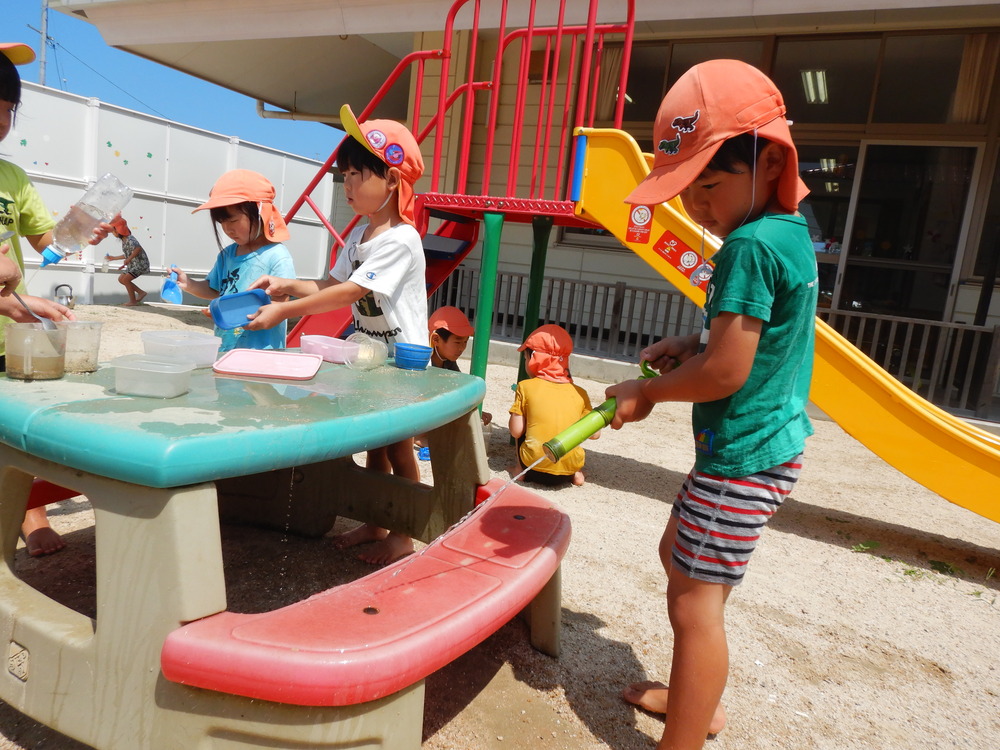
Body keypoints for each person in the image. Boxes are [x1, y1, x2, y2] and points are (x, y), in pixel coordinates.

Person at [605, 59, 817, 750]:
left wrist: (647, 392)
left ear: (765, 156)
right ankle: (693, 699)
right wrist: (693, 337)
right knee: (680, 559)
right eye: (686, 190)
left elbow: (727, 371)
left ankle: (687, 735)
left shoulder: (749, 248)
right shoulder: (787, 232)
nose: (695, 205)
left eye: (708, 184)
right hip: (760, 445)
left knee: (695, 602)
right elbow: (756, 333)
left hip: (742, 454)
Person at [247, 105, 427, 565]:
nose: (345, 185)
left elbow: (350, 291)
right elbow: (328, 285)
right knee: (377, 442)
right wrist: (286, 285)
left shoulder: (401, 239)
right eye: (343, 175)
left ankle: (404, 532)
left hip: (402, 357)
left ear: (390, 180)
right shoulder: (361, 236)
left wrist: (284, 310)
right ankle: (376, 520)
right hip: (374, 354)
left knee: (400, 447)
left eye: (355, 175)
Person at [0, 42, 78, 557]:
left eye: (6, 111)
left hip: (12, 329)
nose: (0, 120)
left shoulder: (13, 178)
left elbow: (49, 241)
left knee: (19, 429)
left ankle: (31, 516)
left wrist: (79, 230)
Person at [172, 169, 296, 352]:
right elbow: (214, 289)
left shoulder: (277, 256)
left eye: (234, 220)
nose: (227, 229)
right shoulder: (227, 255)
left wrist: (237, 314)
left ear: (260, 213)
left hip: (262, 351)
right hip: (226, 347)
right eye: (222, 222)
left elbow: (281, 304)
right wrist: (188, 284)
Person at [508, 324, 595, 487]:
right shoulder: (580, 393)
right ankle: (576, 473)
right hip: (566, 473)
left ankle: (518, 470)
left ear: (534, 359)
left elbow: (516, 430)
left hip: (532, 468)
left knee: (523, 419)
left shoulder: (525, 387)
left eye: (526, 358)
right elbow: (594, 434)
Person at [427, 305, 492, 424]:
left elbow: (461, 390)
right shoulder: (424, 363)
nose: (462, 348)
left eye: (465, 342)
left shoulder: (448, 361)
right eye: (457, 342)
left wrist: (475, 411)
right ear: (436, 339)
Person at [102, 216, 150, 306]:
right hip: (133, 264)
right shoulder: (124, 241)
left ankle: (133, 301)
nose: (112, 233)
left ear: (118, 231)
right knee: (121, 279)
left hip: (140, 264)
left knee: (126, 280)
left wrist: (129, 259)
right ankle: (141, 292)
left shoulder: (130, 239)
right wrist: (114, 258)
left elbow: (137, 249)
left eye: (113, 231)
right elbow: (127, 254)